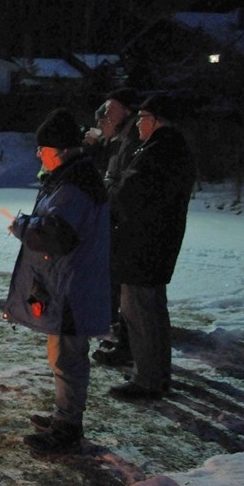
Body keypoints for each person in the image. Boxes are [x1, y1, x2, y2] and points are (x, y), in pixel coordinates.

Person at [4, 108, 111, 454]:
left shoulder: (76, 186)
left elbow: (57, 235)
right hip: (64, 286)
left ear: (61, 150)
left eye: (43, 147)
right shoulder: (68, 179)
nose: (39, 153)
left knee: (68, 357)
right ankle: (64, 416)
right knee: (62, 355)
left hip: (73, 289)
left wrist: (22, 226)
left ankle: (67, 427)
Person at [107, 95, 195, 401]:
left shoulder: (160, 151)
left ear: (156, 120)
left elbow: (129, 194)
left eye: (143, 118)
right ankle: (156, 374)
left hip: (144, 246)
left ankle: (148, 380)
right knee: (151, 311)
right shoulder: (168, 149)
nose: (138, 124)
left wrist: (112, 188)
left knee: (140, 312)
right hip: (154, 245)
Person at [87, 88, 143, 368]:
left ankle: (127, 345)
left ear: (128, 111)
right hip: (116, 222)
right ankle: (121, 339)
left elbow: (122, 184)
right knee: (115, 282)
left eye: (111, 109)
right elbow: (106, 173)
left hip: (126, 226)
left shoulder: (133, 140)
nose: (104, 116)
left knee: (124, 287)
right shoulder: (121, 141)